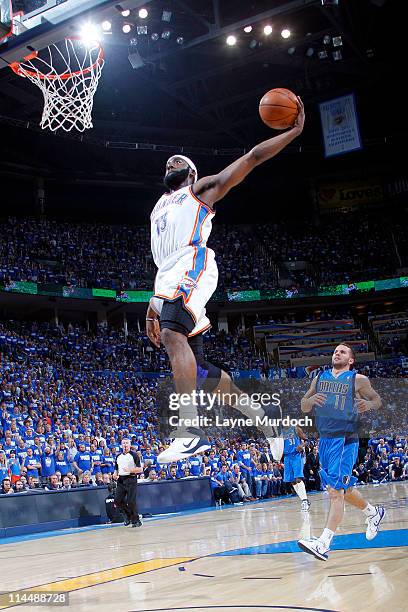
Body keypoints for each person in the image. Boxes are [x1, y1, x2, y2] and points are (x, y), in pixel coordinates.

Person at [146, 99, 305, 463]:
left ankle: (189, 431)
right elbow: (162, 264)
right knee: (202, 374)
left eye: (179, 163)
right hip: (168, 275)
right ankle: (264, 419)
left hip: (194, 262)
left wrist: (292, 132)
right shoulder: (158, 206)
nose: (171, 164)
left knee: (173, 335)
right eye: (167, 163)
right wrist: (152, 308)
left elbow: (250, 160)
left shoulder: (198, 192)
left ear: (191, 175)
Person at [297, 344, 385, 561]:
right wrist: (309, 401)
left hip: (346, 439)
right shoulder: (319, 379)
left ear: (351, 360)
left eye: (343, 352)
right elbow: (303, 406)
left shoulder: (358, 379)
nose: (337, 353)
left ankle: (323, 544)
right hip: (326, 440)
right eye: (336, 351)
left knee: (335, 493)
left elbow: (377, 400)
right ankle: (373, 513)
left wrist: (368, 404)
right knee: (341, 489)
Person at [113, 439, 143, 528]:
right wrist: (114, 474)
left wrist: (130, 470)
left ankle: (136, 520)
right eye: (123, 443)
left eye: (127, 443)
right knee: (117, 500)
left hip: (131, 478)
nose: (125, 445)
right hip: (121, 480)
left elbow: (140, 469)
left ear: (130, 445)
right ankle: (128, 516)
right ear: (121, 445)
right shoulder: (118, 456)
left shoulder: (134, 455)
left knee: (131, 501)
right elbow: (116, 468)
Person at [282, 424, 310, 511]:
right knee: (293, 482)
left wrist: (301, 446)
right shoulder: (280, 433)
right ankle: (304, 500)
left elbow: (306, 440)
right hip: (286, 457)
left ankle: (305, 501)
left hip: (296, 456)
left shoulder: (296, 429)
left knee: (298, 478)